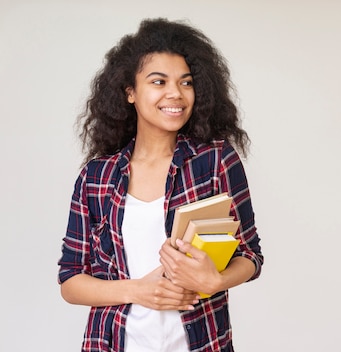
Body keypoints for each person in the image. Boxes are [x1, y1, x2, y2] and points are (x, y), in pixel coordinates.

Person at [57, 18, 263, 352]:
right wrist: (137, 290)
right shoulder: (95, 177)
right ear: (130, 92)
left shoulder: (214, 161)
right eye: (159, 81)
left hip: (201, 342)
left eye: (186, 82)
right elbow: (70, 280)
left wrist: (216, 280)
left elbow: (250, 254)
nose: (175, 94)